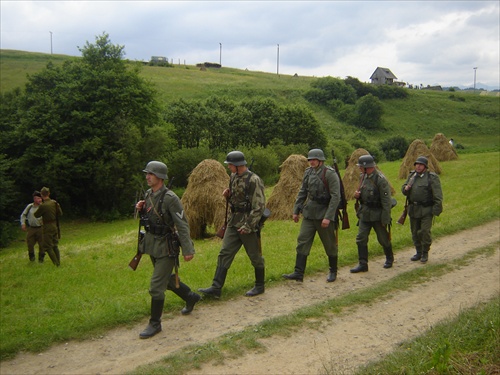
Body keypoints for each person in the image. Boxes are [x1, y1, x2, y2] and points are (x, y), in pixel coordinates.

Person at [135, 161, 201, 339]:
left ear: (160, 177)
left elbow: (183, 224)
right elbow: (150, 220)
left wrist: (188, 249)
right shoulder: (149, 194)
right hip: (153, 245)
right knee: (166, 280)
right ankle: (190, 296)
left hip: (166, 247)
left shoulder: (171, 198)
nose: (147, 177)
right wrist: (141, 210)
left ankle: (155, 323)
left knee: (156, 286)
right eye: (147, 173)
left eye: (151, 174)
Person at [199, 151, 266, 298]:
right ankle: (216, 288)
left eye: (230, 164)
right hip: (233, 222)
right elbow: (237, 201)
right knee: (224, 253)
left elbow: (259, 206)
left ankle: (260, 285)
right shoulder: (233, 177)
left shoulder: (254, 180)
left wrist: (248, 225)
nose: (228, 167)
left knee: (255, 256)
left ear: (237, 165)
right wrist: (228, 196)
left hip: (248, 224)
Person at [283, 148, 341, 283]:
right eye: (310, 160)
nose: (311, 162)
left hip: (324, 213)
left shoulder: (329, 174)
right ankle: (298, 272)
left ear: (320, 160)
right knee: (302, 240)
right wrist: (296, 210)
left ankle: (333, 271)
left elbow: (335, 197)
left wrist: (328, 216)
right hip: (309, 213)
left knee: (330, 244)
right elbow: (302, 192)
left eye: (314, 159)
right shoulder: (308, 172)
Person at [350, 155, 394, 273]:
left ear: (366, 167)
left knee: (383, 238)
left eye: (360, 167)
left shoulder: (380, 179)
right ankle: (363, 264)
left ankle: (389, 258)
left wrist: (385, 218)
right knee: (361, 238)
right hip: (365, 213)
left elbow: (386, 201)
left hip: (377, 214)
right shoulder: (363, 177)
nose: (359, 168)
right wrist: (357, 196)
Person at [402, 156, 443, 263]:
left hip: (426, 210)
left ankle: (425, 252)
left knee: (424, 231)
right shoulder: (412, 176)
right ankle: (418, 252)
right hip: (413, 209)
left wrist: (436, 210)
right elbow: (404, 190)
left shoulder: (431, 177)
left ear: (425, 167)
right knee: (415, 232)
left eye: (421, 165)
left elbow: (438, 195)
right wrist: (405, 189)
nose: (418, 166)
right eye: (417, 164)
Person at [34, 187, 62, 266]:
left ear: (42, 195)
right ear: (49, 193)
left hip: (47, 227)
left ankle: (56, 264)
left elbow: (36, 215)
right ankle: (58, 262)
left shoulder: (43, 206)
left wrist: (40, 206)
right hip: (55, 225)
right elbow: (60, 213)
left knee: (48, 246)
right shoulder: (54, 203)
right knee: (55, 245)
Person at [20, 191, 44, 262]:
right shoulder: (30, 206)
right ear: (34, 199)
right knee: (30, 244)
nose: (40, 200)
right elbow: (23, 215)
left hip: (41, 228)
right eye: (38, 198)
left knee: (42, 244)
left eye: (40, 198)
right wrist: (23, 223)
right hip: (32, 228)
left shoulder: (43, 207)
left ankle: (41, 259)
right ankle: (32, 259)